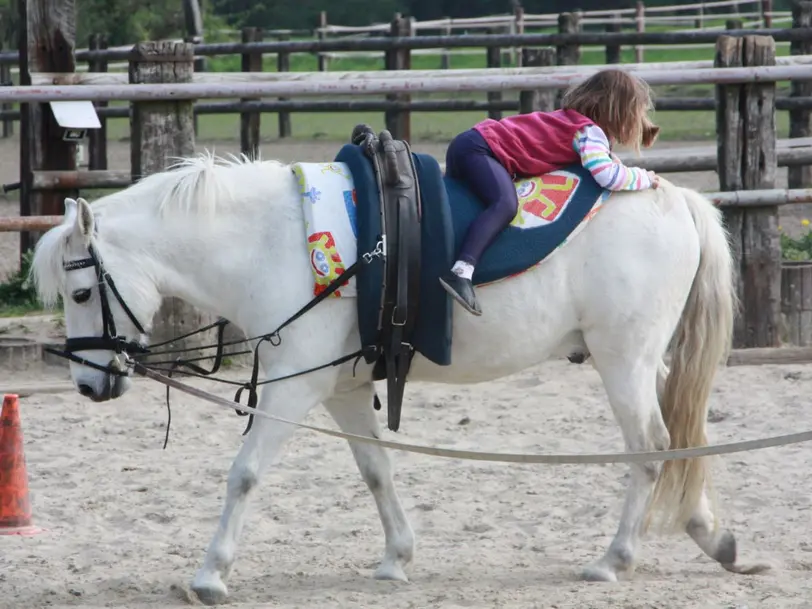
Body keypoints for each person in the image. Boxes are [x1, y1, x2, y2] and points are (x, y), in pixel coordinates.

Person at [439, 68, 662, 317]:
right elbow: (606, 174)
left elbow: (605, 162)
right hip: (482, 150)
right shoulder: (589, 133)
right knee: (505, 204)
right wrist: (644, 177)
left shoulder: (569, 121)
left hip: (471, 143)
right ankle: (462, 271)